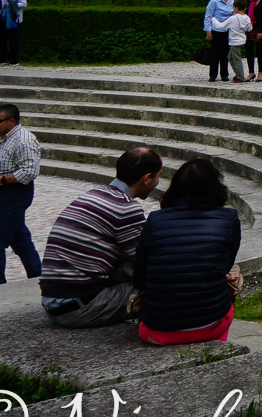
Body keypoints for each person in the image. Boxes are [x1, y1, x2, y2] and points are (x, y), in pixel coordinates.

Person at [40, 145, 163, 328]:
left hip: (55, 302)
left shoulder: (93, 195)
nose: (157, 183)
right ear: (147, 178)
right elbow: (148, 260)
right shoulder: (126, 208)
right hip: (80, 307)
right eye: (158, 177)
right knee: (167, 286)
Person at [133, 158, 243, 346]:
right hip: (210, 326)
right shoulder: (228, 219)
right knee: (235, 275)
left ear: (174, 188)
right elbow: (224, 264)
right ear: (216, 187)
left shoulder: (155, 220)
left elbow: (139, 276)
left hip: (156, 330)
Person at [0, 102, 43, 285]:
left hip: (14, 194)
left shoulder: (24, 140)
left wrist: (0, 181)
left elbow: (30, 171)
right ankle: (38, 278)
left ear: (11, 121)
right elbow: (0, 167)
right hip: (4, 193)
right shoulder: (5, 137)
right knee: (20, 240)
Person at [201, 0, 235, 82]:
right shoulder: (214, 2)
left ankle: (224, 74)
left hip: (226, 31)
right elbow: (208, 16)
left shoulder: (232, 2)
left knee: (225, 54)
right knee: (214, 53)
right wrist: (208, 31)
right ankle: (213, 75)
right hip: (216, 31)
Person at [0, 0, 26, 66]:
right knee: (1, 39)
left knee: (12, 39)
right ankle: (1, 59)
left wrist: (11, 4)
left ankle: (14, 60)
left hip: (12, 18)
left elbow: (24, 3)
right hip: (2, 17)